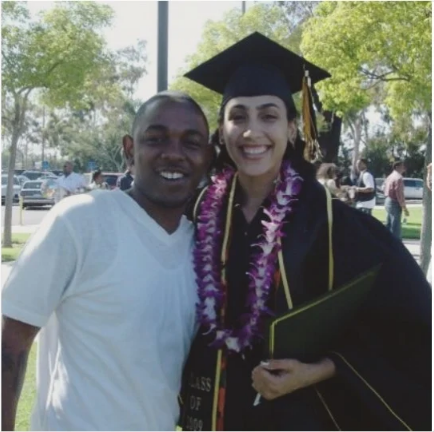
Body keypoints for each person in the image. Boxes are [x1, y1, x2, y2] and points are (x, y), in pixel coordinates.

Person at [179, 33, 431, 431]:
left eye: (269, 115)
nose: (252, 131)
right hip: (217, 410)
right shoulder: (199, 212)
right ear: (222, 130)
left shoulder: (333, 223)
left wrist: (319, 370)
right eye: (238, 116)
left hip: (299, 414)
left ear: (293, 128)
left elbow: (408, 324)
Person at [2, 91, 213, 431]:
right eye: (156, 139)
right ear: (130, 150)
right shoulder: (80, 221)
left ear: (208, 155)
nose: (173, 153)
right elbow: (10, 343)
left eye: (191, 143)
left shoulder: (203, 248)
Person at [383, 160, 409, 239]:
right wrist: (404, 207)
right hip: (394, 202)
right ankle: (396, 246)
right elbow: (399, 194)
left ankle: (386, 243)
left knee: (389, 223)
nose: (404, 168)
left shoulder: (390, 176)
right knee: (395, 226)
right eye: (402, 166)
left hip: (387, 200)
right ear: (397, 167)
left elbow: (383, 188)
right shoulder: (398, 178)